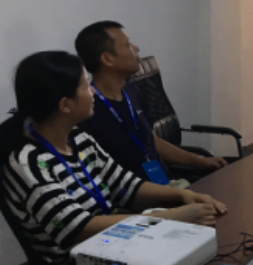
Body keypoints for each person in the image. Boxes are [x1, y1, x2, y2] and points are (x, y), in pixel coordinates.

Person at [0, 51, 227, 265]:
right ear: (65, 105)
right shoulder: (28, 164)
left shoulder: (78, 138)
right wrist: (170, 217)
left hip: (114, 247)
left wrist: (181, 196)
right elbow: (78, 229)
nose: (92, 92)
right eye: (85, 86)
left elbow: (125, 184)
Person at [74, 21, 225, 184]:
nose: (136, 48)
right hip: (134, 194)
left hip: (165, 182)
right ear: (107, 59)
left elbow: (150, 141)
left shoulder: (131, 91)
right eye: (128, 45)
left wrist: (200, 161)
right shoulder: (88, 111)